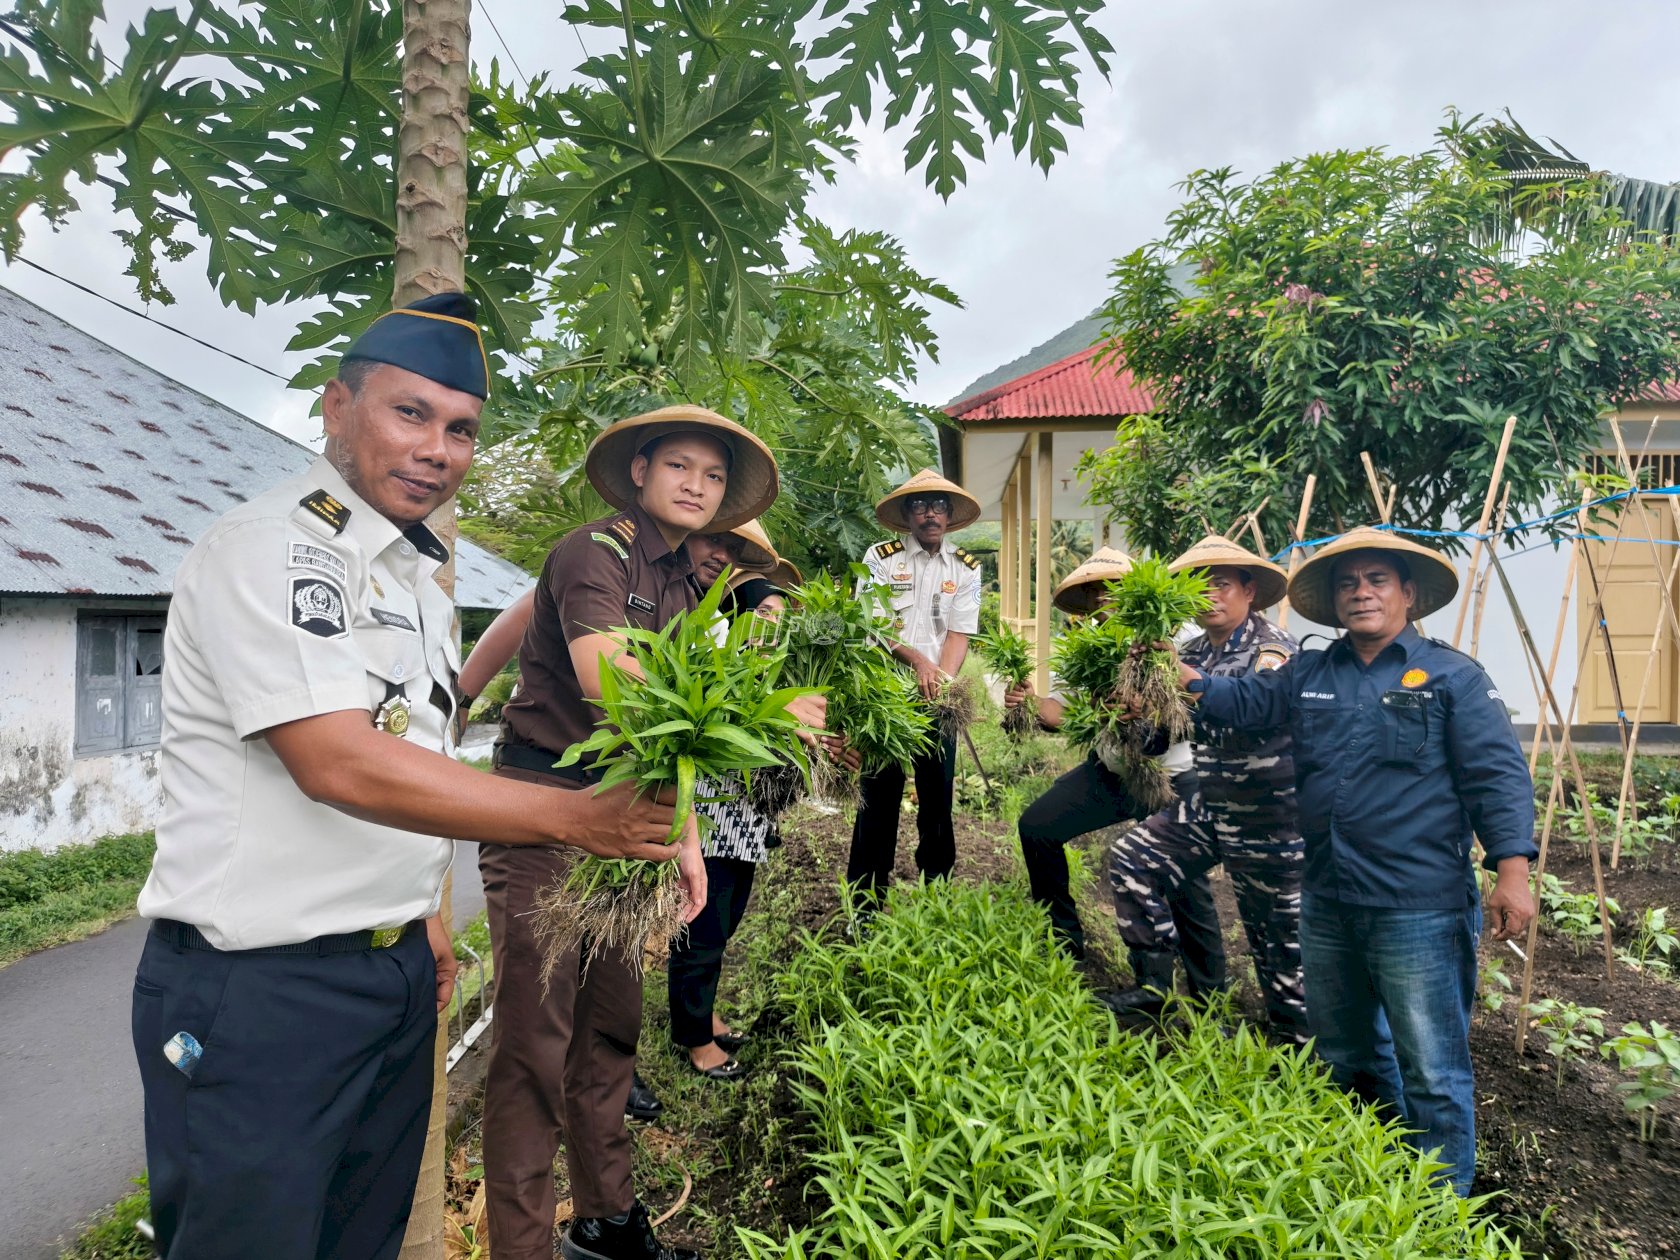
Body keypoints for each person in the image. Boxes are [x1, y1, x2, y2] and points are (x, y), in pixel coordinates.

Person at [131, 293, 683, 1260]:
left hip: (386, 975)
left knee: (362, 1242)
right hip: (261, 990)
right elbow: (336, 759)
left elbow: (415, 759)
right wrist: (575, 819)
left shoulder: (414, 581)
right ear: (337, 407)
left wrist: (418, 909)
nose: (437, 449)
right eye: (410, 413)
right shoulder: (273, 549)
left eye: (461, 429)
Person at [478, 408, 818, 1260]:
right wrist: (758, 709)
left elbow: (669, 741)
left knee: (610, 1028)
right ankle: (521, 1247)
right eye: (679, 466)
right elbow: (610, 683)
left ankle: (606, 1222)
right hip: (542, 809)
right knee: (534, 1048)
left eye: (713, 475)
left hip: (623, 815)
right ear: (639, 471)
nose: (697, 486)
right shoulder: (594, 551)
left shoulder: (682, 583)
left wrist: (682, 838)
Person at [1177, 525, 1537, 1195]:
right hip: (1328, 897)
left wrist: (1511, 872)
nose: (1361, 593)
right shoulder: (1309, 671)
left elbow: (1497, 777)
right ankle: (1372, 1178)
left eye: (1376, 580)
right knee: (1344, 1051)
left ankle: (1442, 1208)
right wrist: (1185, 679)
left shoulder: (1453, 677)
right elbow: (1247, 704)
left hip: (1418, 904)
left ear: (1407, 593)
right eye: (1348, 583)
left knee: (1433, 1067)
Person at [1103, 536, 1308, 1041]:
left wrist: (1186, 681)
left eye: (1222, 584)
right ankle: (1153, 988)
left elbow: (1255, 708)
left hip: (1272, 817)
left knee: (1279, 944)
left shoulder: (1274, 650)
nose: (1210, 595)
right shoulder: (1189, 652)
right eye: (1199, 587)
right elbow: (1161, 740)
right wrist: (1133, 717)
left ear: (1249, 591)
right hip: (1213, 804)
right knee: (1133, 858)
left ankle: (1294, 1046)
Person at [1005, 546, 1227, 996]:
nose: (1104, 598)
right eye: (1095, 593)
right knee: (1038, 827)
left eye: (1114, 589)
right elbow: (1060, 710)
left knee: (1185, 882)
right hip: (1112, 773)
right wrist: (1029, 703)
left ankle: (1209, 993)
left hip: (1171, 776)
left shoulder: (1175, 635)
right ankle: (1065, 945)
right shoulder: (1088, 645)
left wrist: (1153, 702)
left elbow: (1201, 702)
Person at [846, 468, 984, 903]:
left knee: (938, 799)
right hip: (884, 694)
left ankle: (937, 892)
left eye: (939, 505)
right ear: (907, 514)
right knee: (878, 797)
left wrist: (942, 682)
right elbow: (872, 623)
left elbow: (959, 633)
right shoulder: (880, 557)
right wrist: (919, 661)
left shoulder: (966, 567)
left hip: (937, 696)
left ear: (949, 515)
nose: (930, 514)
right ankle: (866, 900)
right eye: (920, 505)